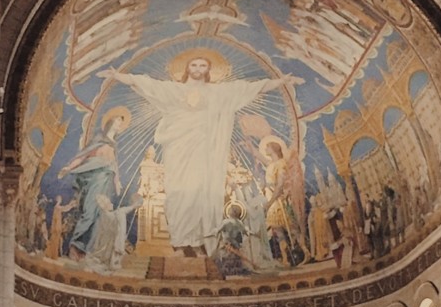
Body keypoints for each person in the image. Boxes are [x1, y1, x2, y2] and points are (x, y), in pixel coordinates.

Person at [99, 56, 301, 256]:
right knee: (178, 193)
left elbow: (250, 88)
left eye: (202, 65)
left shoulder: (218, 92)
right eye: (193, 64)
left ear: (208, 69)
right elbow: (146, 83)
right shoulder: (173, 90)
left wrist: (281, 82)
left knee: (202, 193)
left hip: (205, 152)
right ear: (187, 68)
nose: (197, 68)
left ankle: (198, 243)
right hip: (178, 150)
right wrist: (118, 76)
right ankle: (179, 242)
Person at [57, 107, 129, 261]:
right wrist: (69, 167)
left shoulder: (114, 145)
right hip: (94, 178)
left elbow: (114, 164)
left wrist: (117, 182)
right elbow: (83, 156)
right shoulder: (98, 139)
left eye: (121, 122)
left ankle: (86, 249)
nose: (119, 124)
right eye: (117, 120)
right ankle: (75, 246)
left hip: (106, 180)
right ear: (110, 122)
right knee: (89, 212)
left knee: (99, 215)